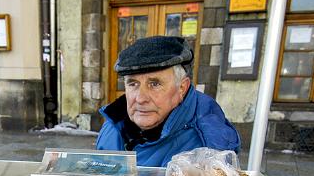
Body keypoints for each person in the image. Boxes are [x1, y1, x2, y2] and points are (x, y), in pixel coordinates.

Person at [96, 36, 240, 167]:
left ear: (182, 88)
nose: (140, 98)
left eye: (154, 84)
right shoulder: (113, 124)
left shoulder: (208, 146)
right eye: (133, 84)